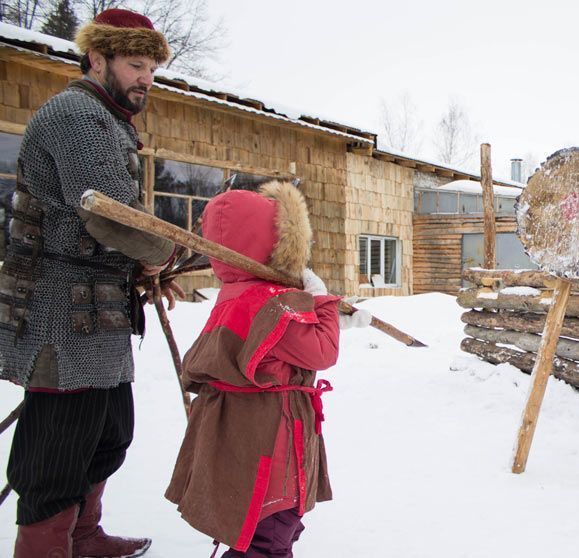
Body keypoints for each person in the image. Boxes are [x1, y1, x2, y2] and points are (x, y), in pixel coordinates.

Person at [0, 8, 181, 558]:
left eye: (151, 67)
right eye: (134, 64)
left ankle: (82, 537)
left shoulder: (109, 121)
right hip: (60, 308)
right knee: (55, 451)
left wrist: (151, 268)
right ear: (97, 58)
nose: (145, 78)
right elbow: (109, 214)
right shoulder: (74, 115)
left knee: (107, 436)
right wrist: (162, 251)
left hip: (102, 309)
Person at [165, 181, 372, 558]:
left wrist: (326, 316)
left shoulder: (236, 294)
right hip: (271, 443)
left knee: (263, 533)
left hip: (240, 440)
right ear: (277, 244)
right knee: (270, 539)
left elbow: (284, 346)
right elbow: (320, 352)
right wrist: (321, 301)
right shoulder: (271, 302)